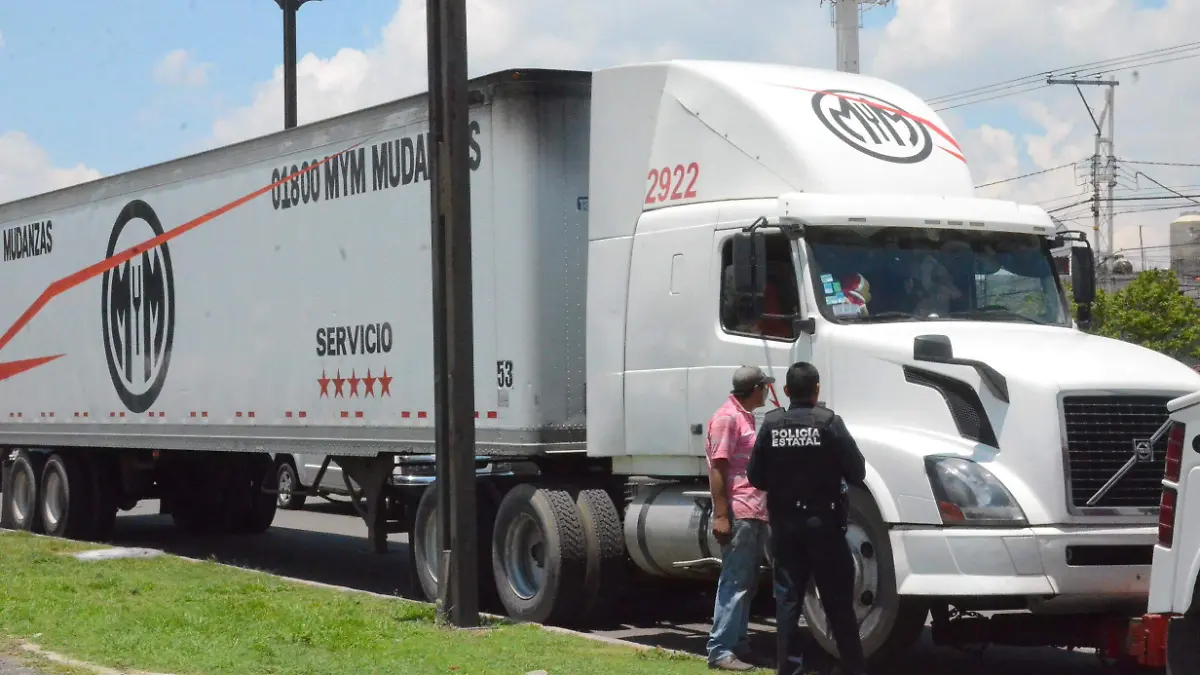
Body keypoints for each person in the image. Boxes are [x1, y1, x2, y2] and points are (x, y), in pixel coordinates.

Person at [747, 362, 869, 675]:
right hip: (824, 524)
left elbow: (756, 477)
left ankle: (787, 670)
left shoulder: (772, 424)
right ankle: (853, 668)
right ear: (816, 390)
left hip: (785, 526)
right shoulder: (829, 423)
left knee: (787, 601)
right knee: (837, 602)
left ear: (786, 391)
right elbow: (857, 472)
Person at [704, 365, 774, 671]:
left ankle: (740, 646)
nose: (767, 392)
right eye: (765, 387)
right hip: (740, 511)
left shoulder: (743, 416)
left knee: (747, 583)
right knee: (735, 582)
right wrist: (721, 515)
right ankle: (720, 650)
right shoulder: (727, 418)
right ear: (756, 388)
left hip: (755, 511)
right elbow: (718, 469)